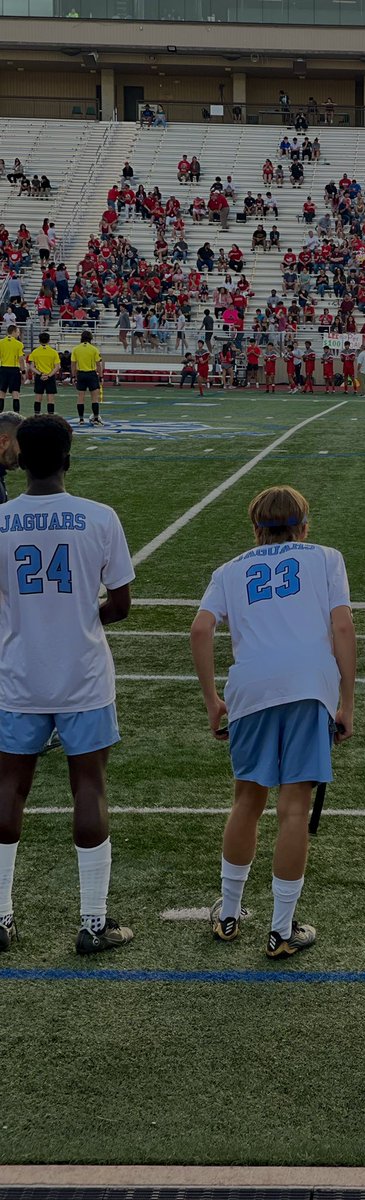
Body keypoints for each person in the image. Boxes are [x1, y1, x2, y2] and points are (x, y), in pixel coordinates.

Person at [190, 485, 355, 959]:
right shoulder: (326, 558)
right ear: (303, 527)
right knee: (293, 809)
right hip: (308, 686)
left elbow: (200, 629)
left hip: (251, 689)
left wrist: (212, 699)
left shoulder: (230, 570)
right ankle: (280, 931)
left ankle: (229, 915)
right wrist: (347, 701)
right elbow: (343, 627)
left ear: (255, 529)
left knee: (246, 800)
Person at [0, 414, 136, 956]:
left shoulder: (1, 520)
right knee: (90, 788)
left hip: (18, 674)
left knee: (8, 787)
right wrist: (82, 617)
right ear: (68, 458)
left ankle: (1, 916)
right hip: (83, 674)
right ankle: (93, 922)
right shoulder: (99, 517)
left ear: (19, 459)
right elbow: (120, 604)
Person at [71, 330, 103, 427]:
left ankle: (81, 419)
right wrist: (101, 376)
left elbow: (73, 364)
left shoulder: (76, 349)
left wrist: (73, 376)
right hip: (91, 374)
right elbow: (98, 364)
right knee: (94, 398)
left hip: (81, 374)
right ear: (90, 338)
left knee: (80, 398)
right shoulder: (94, 349)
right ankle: (96, 419)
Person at [27, 332, 60, 416]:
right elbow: (57, 367)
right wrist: (48, 375)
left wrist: (41, 374)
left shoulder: (35, 352)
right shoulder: (53, 352)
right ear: (49, 340)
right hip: (50, 377)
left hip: (39, 376)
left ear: (39, 340)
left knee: (38, 397)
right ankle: (50, 416)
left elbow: (32, 367)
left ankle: (36, 416)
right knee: (50, 398)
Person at [0, 324, 26, 414]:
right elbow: (21, 359)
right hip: (14, 370)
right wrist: (23, 371)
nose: (18, 334)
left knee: (1, 392)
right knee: (15, 393)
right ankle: (16, 414)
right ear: (14, 332)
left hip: (3, 369)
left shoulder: (1, 342)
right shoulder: (19, 344)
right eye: (18, 332)